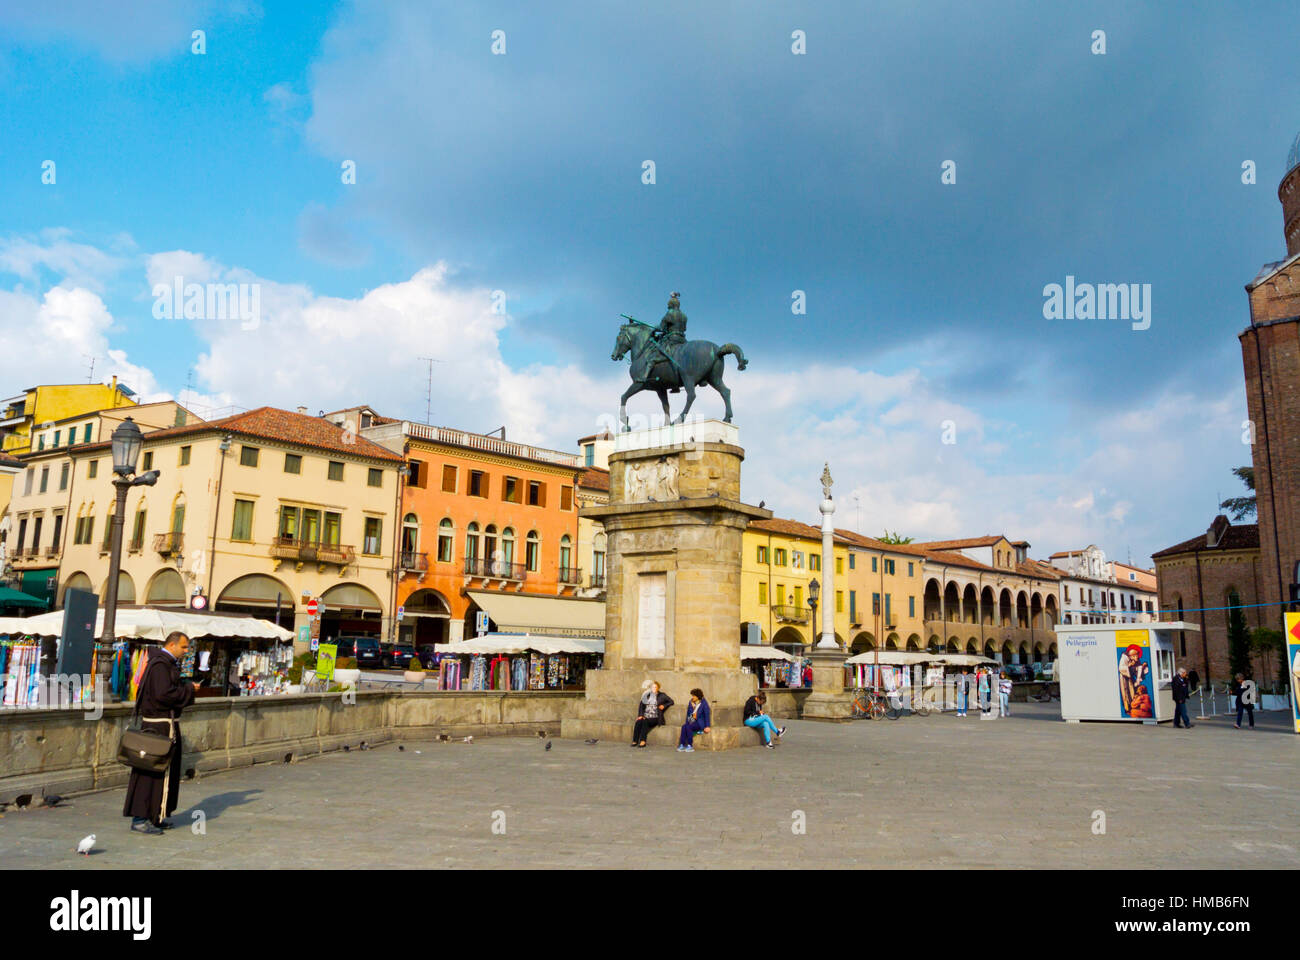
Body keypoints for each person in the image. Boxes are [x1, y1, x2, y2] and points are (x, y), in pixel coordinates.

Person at [123, 632, 201, 835]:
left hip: (167, 724)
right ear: (172, 645)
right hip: (158, 727)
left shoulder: (165, 664)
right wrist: (189, 689)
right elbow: (163, 695)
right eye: (183, 647)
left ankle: (155, 815)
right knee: (150, 771)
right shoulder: (160, 665)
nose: (186, 652)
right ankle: (140, 818)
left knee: (164, 773)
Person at [630, 680, 673, 748]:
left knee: (645, 721)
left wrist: (664, 706)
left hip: (655, 717)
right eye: (652, 687)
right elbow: (641, 706)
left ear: (658, 688)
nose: (654, 688)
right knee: (638, 721)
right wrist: (640, 715)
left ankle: (643, 741)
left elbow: (671, 701)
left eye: (655, 687)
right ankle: (635, 740)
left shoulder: (662, 695)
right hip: (645, 716)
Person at [677, 688, 712, 752]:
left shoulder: (704, 703)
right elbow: (688, 714)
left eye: (694, 696)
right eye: (692, 696)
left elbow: (707, 714)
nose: (692, 697)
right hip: (692, 720)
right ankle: (682, 745)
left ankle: (690, 746)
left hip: (700, 722)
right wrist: (693, 708)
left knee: (688, 727)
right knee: (684, 726)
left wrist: (707, 726)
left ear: (698, 696)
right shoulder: (691, 703)